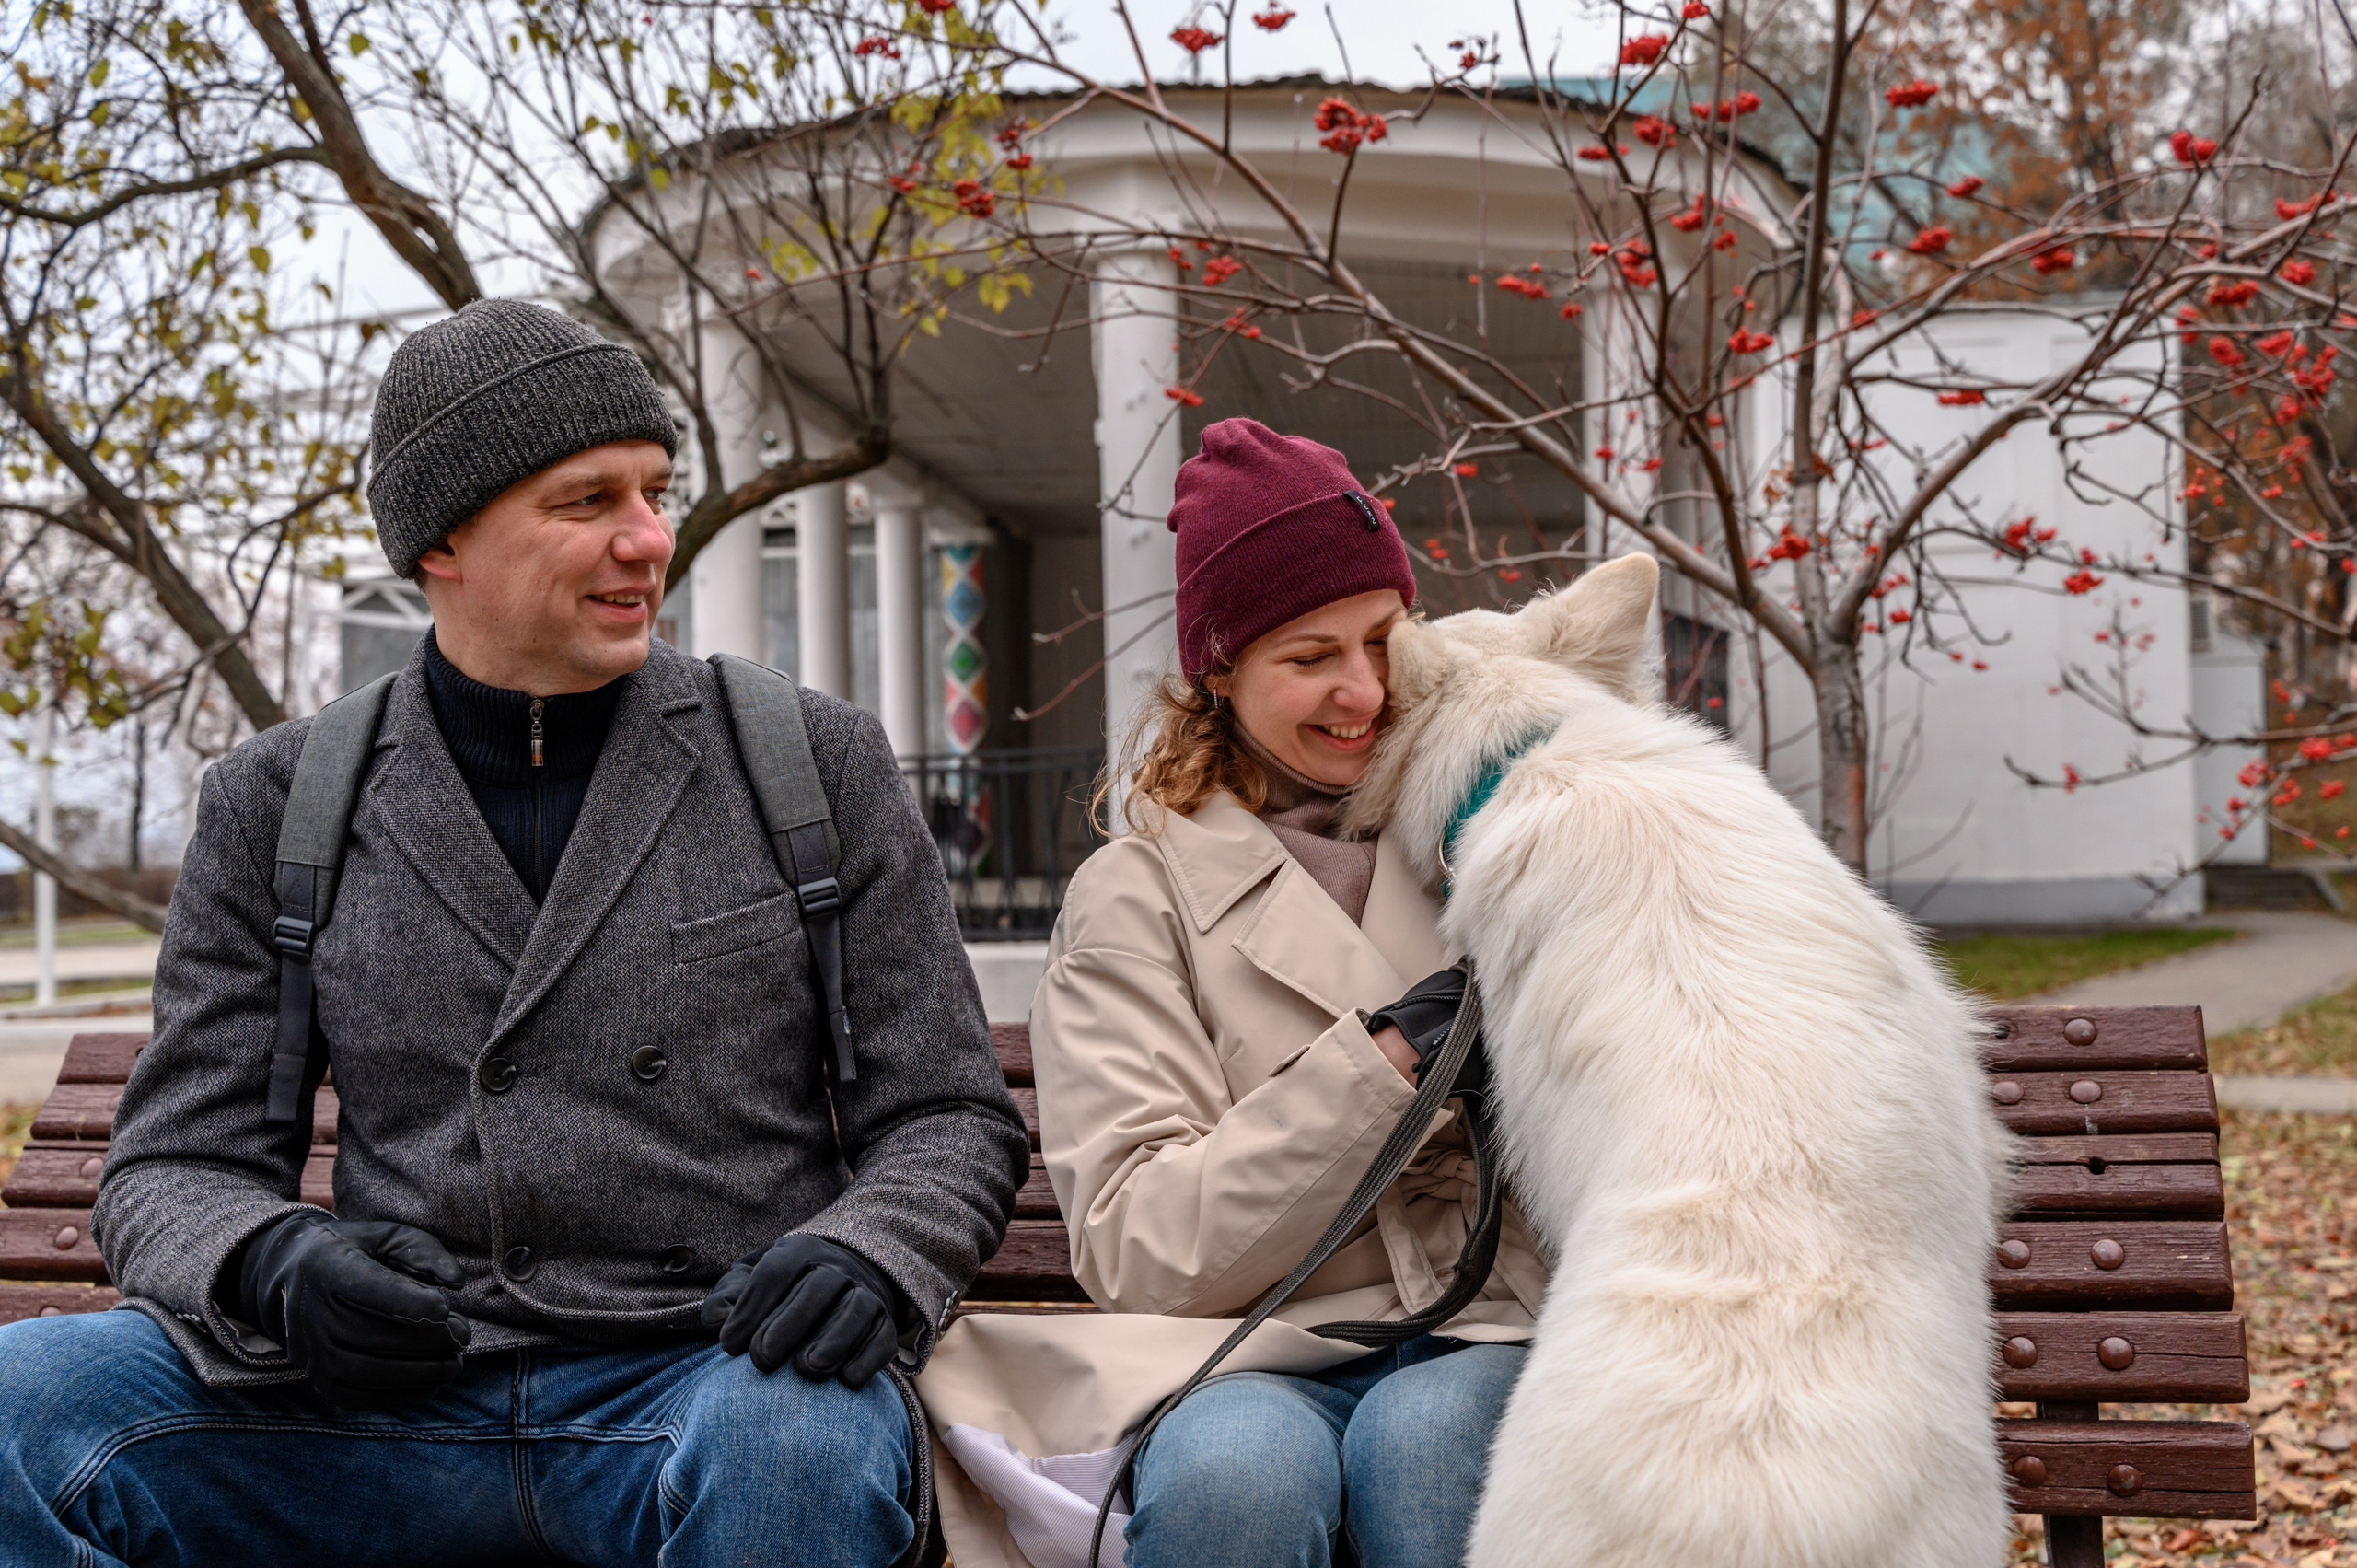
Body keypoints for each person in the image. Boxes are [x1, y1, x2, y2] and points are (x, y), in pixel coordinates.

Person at [0, 300, 1032, 1568]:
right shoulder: (281, 800)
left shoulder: (806, 762)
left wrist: (869, 1252)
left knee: (796, 1450)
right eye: (587, 501)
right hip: (384, 1402)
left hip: (706, 1380)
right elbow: (170, 1166)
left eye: (654, 492)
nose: (648, 540)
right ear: (443, 536)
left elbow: (949, 1113)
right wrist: (276, 1258)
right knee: (24, 1400)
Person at [915, 418, 1550, 1568]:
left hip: (1492, 1319)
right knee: (1233, 1474)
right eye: (1310, 657)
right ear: (1219, 670)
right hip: (1244, 1346)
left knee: (1429, 1441)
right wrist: (1389, 1068)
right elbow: (1139, 1242)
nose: (1362, 691)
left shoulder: (1494, 827)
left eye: (1382, 640)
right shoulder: (1134, 896)